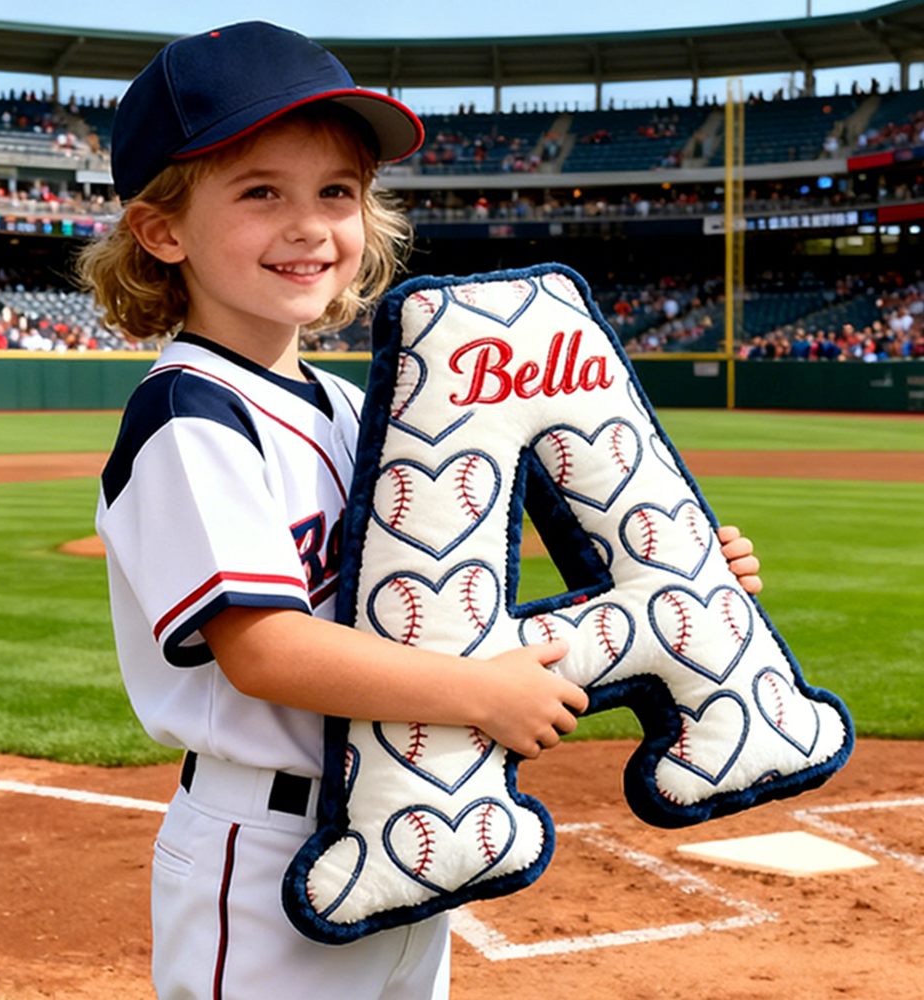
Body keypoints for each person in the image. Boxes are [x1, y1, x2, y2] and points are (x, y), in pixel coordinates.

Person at [79, 20, 761, 1000]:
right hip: (266, 853)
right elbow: (263, 648)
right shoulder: (192, 415)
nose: (310, 225)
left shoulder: (353, 406)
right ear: (162, 229)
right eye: (260, 191)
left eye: (337, 192)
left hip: (401, 819)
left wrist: (676, 584)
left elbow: (448, 576)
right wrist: (481, 695)